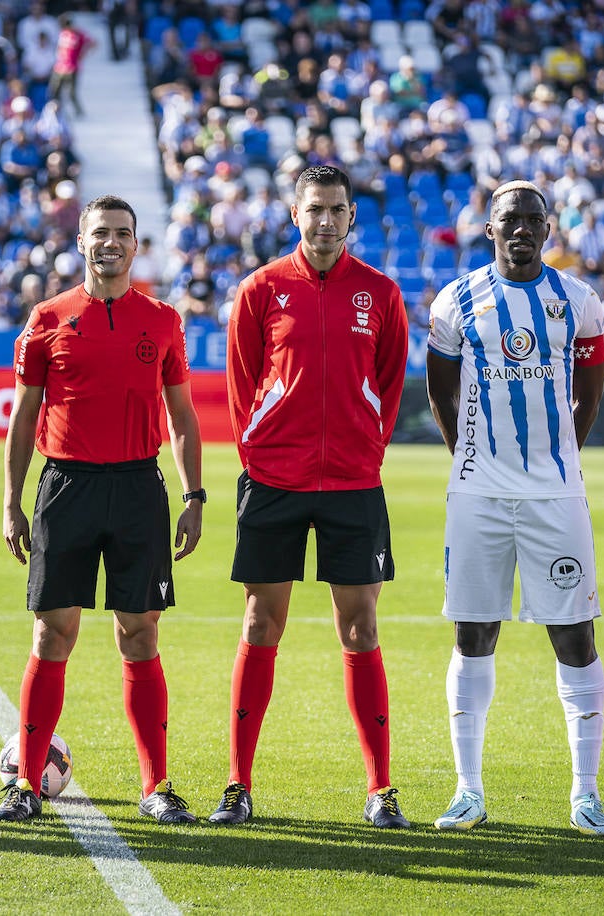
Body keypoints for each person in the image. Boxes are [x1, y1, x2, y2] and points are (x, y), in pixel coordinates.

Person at [0, 195, 204, 825]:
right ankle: (24, 785)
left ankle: (156, 786)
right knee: (53, 632)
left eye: (122, 234)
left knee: (140, 633)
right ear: (80, 242)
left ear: (137, 246)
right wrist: (11, 500)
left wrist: (193, 496)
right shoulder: (48, 318)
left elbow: (183, 415)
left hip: (140, 489)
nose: (110, 243)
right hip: (66, 488)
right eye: (99, 233)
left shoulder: (162, 320)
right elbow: (23, 416)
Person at [211, 165, 410, 829]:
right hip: (274, 481)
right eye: (314, 209)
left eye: (336, 210)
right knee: (261, 624)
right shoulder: (261, 290)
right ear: (295, 215)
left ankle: (380, 789)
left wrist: (363, 451)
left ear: (351, 218)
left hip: (354, 483)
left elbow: (389, 379)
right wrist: (262, 452)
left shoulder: (379, 293)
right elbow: (243, 386)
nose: (325, 221)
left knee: (360, 627)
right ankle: (238, 784)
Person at [424, 180, 604, 836]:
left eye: (533, 220)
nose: (522, 230)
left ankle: (585, 794)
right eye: (511, 220)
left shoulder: (578, 301)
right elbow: (440, 390)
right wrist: (469, 460)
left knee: (574, 635)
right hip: (477, 494)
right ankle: (468, 791)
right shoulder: (457, 300)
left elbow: (589, 393)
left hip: (556, 496)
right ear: (490, 227)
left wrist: (560, 454)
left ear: (549, 227)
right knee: (473, 633)